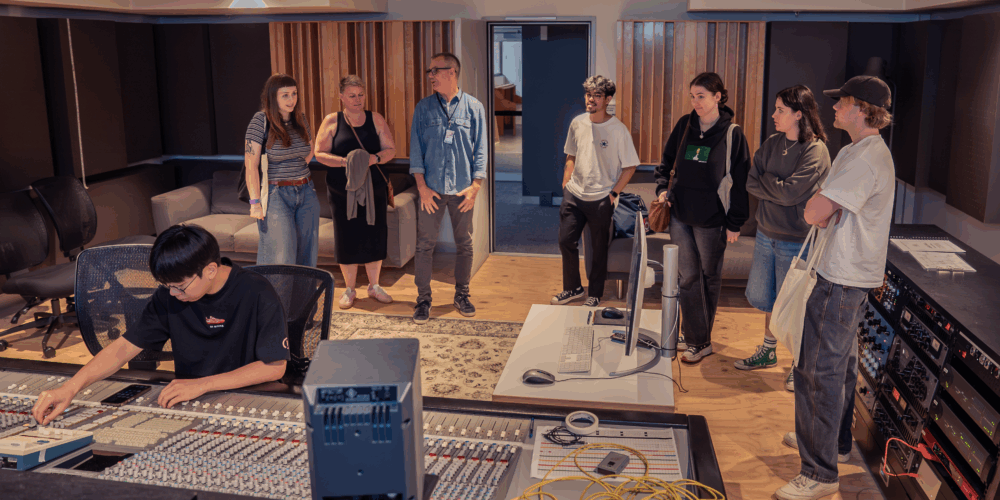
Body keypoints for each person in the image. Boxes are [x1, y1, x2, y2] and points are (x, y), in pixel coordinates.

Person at [31, 225, 289, 424]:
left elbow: (274, 367)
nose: (173, 294)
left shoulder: (257, 291)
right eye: (167, 287)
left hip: (247, 400)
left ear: (210, 270)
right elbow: (123, 347)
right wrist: (69, 388)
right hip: (189, 400)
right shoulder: (170, 295)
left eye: (180, 286)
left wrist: (203, 384)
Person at [775, 75, 895, 500]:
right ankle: (836, 445)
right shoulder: (855, 150)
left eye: (841, 103)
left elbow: (814, 211)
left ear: (862, 108)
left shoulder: (864, 159)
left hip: (841, 278)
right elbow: (824, 211)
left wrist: (822, 206)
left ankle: (819, 472)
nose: (833, 109)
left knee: (816, 373)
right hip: (843, 274)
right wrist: (824, 208)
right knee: (840, 367)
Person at [736, 85, 831, 394]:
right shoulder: (773, 143)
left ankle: (797, 365)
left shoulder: (816, 151)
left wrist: (772, 185)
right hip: (766, 234)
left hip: (797, 240)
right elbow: (752, 181)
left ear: (798, 114)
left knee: (794, 305)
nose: (774, 115)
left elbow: (792, 194)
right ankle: (768, 350)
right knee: (768, 300)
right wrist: (776, 186)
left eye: (780, 110)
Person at [654, 72, 750, 364]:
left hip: (712, 219)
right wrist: (661, 189)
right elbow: (666, 162)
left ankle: (700, 339)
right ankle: (696, 338)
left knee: (709, 277)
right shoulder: (685, 125)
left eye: (702, 96)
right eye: (692, 96)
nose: (695, 102)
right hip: (680, 214)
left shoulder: (732, 133)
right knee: (687, 278)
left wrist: (735, 222)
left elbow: (741, 179)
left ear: (718, 97)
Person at [409, 52, 487, 324]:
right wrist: (421, 187)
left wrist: (476, 187)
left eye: (435, 70)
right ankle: (423, 299)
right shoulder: (423, 108)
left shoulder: (474, 108)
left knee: (465, 244)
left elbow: (480, 151)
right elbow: (415, 151)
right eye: (429, 71)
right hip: (431, 190)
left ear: (451, 72)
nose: (430, 75)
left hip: (463, 190)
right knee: (424, 245)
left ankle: (462, 294)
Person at [551, 75, 639, 308]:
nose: (590, 99)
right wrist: (566, 181)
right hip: (574, 194)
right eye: (588, 94)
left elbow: (630, 166)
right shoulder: (578, 123)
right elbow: (571, 154)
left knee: (599, 248)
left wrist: (614, 194)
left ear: (608, 99)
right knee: (565, 241)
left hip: (601, 198)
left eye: (597, 95)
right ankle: (572, 288)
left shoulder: (618, 130)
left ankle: (596, 293)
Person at [314, 75, 398, 309]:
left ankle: (374, 286)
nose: (357, 100)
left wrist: (374, 158)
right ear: (341, 97)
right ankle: (349, 290)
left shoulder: (376, 119)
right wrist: (346, 162)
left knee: (375, 234)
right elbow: (319, 154)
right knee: (346, 236)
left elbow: (391, 149)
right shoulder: (332, 121)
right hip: (342, 191)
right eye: (352, 95)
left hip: (374, 189)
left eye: (361, 95)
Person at [244, 74, 320, 267]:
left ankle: (304, 298)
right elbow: (251, 165)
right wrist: (255, 203)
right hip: (276, 194)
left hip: (306, 191)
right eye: (285, 95)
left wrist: (295, 168)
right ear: (273, 97)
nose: (291, 99)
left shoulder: (300, 119)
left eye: (294, 94)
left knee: (307, 258)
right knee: (280, 259)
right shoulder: (260, 120)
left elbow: (309, 150)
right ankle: (275, 298)